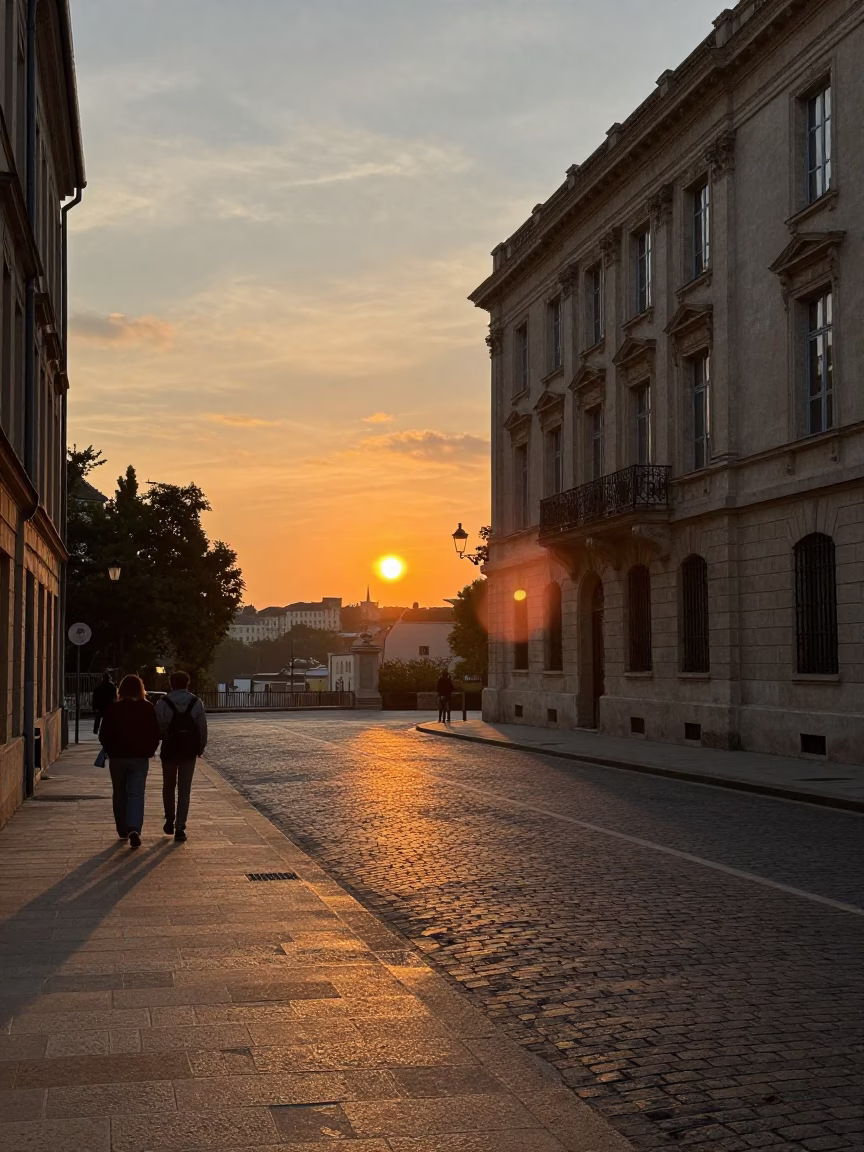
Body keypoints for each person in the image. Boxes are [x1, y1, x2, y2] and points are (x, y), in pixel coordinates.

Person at [98, 674, 161, 848]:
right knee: (136, 793)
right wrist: (148, 750)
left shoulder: (113, 709)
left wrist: (111, 750)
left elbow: (103, 734)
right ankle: (134, 827)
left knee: (119, 792)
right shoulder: (147, 708)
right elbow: (155, 733)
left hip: (117, 758)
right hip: (139, 757)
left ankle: (122, 828)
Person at [154, 671, 207, 843]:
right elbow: (202, 728)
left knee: (168, 786)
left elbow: (157, 727)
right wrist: (200, 748)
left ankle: (169, 819)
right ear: (187, 683)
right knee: (185, 790)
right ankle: (180, 827)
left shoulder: (162, 702)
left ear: (171, 684)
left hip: (169, 750)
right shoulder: (196, 702)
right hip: (188, 751)